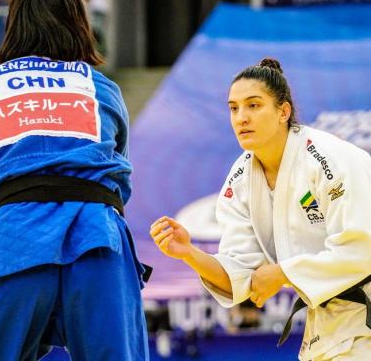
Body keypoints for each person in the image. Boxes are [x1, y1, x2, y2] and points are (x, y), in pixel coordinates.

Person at [150, 58, 371, 360]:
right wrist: (189, 252)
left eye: (253, 105)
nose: (241, 117)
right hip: (330, 324)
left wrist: (282, 273)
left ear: (284, 111)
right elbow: (241, 277)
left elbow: (363, 248)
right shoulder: (241, 180)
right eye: (234, 108)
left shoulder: (329, 158)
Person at [0, 0, 149, 361]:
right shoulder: (102, 88)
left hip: (14, 240)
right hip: (97, 236)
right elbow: (116, 161)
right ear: (79, 26)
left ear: (14, 27)